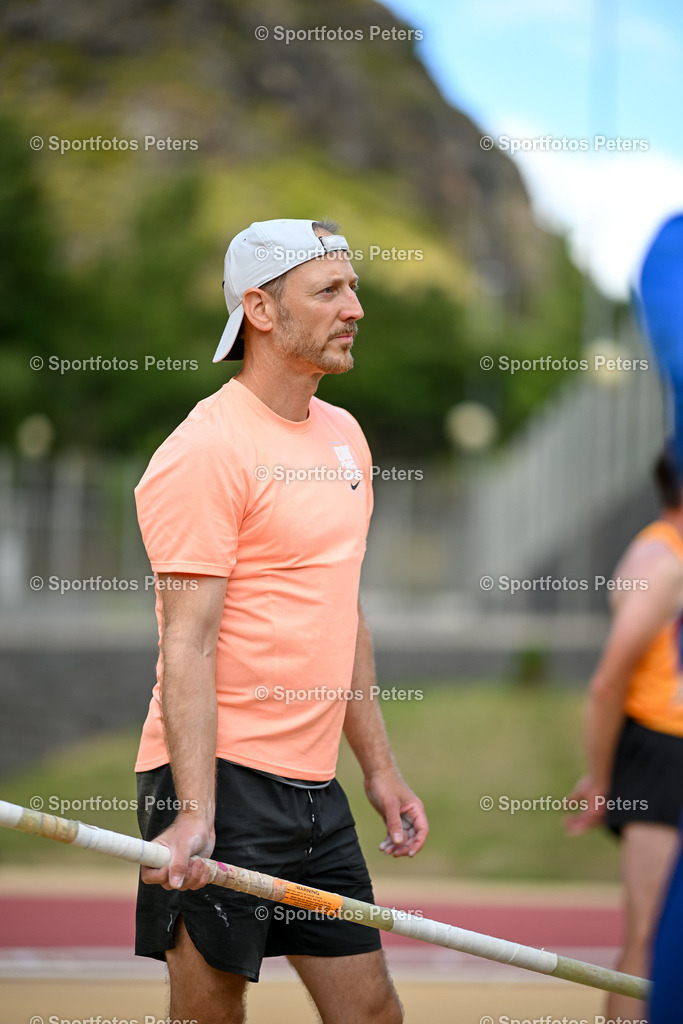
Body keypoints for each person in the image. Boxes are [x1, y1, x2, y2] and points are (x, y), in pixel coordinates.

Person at [132, 218, 429, 1024]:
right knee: (210, 1015)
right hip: (218, 779)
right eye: (329, 290)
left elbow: (342, 613)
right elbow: (185, 641)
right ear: (261, 310)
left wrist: (377, 770)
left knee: (370, 1013)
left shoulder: (344, 435)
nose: (354, 307)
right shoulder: (205, 449)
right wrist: (194, 810)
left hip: (314, 793)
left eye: (354, 286)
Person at [565, 449, 683, 1023]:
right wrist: (603, 777)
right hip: (663, 755)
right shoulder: (659, 560)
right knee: (651, 937)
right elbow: (609, 681)